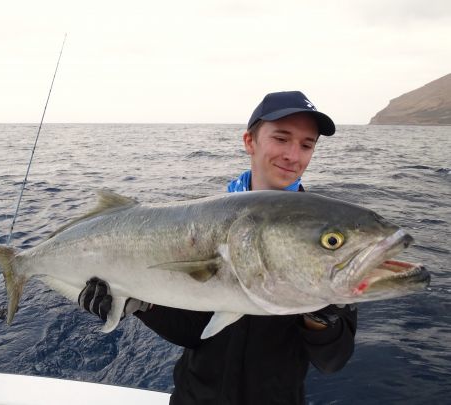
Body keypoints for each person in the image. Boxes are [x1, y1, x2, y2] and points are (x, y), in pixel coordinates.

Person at [79, 91, 357, 405]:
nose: (294, 155)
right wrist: (141, 306)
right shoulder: (203, 224)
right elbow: (194, 333)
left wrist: (323, 315)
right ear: (250, 142)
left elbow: (332, 360)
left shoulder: (326, 238)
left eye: (307, 145)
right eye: (281, 138)